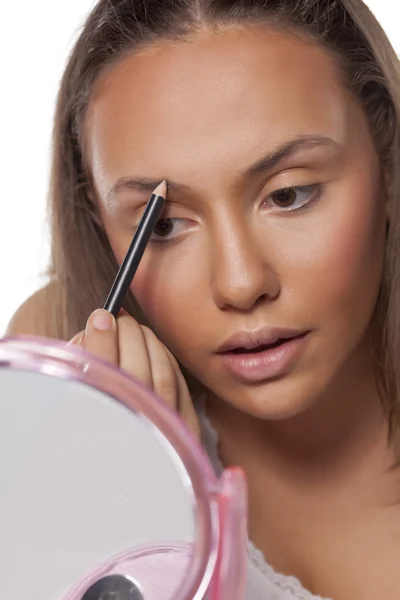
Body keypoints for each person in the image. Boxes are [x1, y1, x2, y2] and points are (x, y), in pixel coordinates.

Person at [7, 0, 400, 597]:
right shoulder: (59, 357)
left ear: (389, 165)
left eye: (289, 195)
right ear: (96, 215)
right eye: (162, 226)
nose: (241, 284)